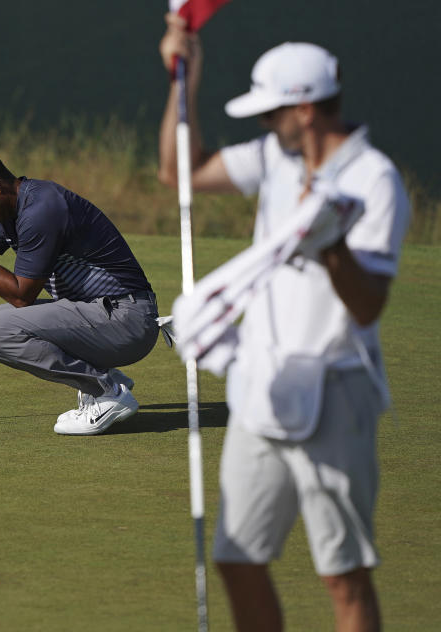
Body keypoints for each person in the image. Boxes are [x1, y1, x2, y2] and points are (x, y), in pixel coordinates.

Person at [158, 14, 410, 632]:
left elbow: (368, 304)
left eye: (271, 113)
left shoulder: (375, 180)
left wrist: (331, 245)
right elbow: (179, 173)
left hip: (336, 392)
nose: (265, 125)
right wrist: (181, 78)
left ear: (303, 111)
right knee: (237, 559)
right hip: (260, 388)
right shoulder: (275, 157)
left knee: (343, 577)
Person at [0, 152, 159, 436]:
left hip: (128, 318)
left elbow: (22, 296)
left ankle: (107, 392)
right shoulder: (7, 212)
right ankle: (106, 378)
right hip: (97, 314)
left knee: (1, 328)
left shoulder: (41, 209)